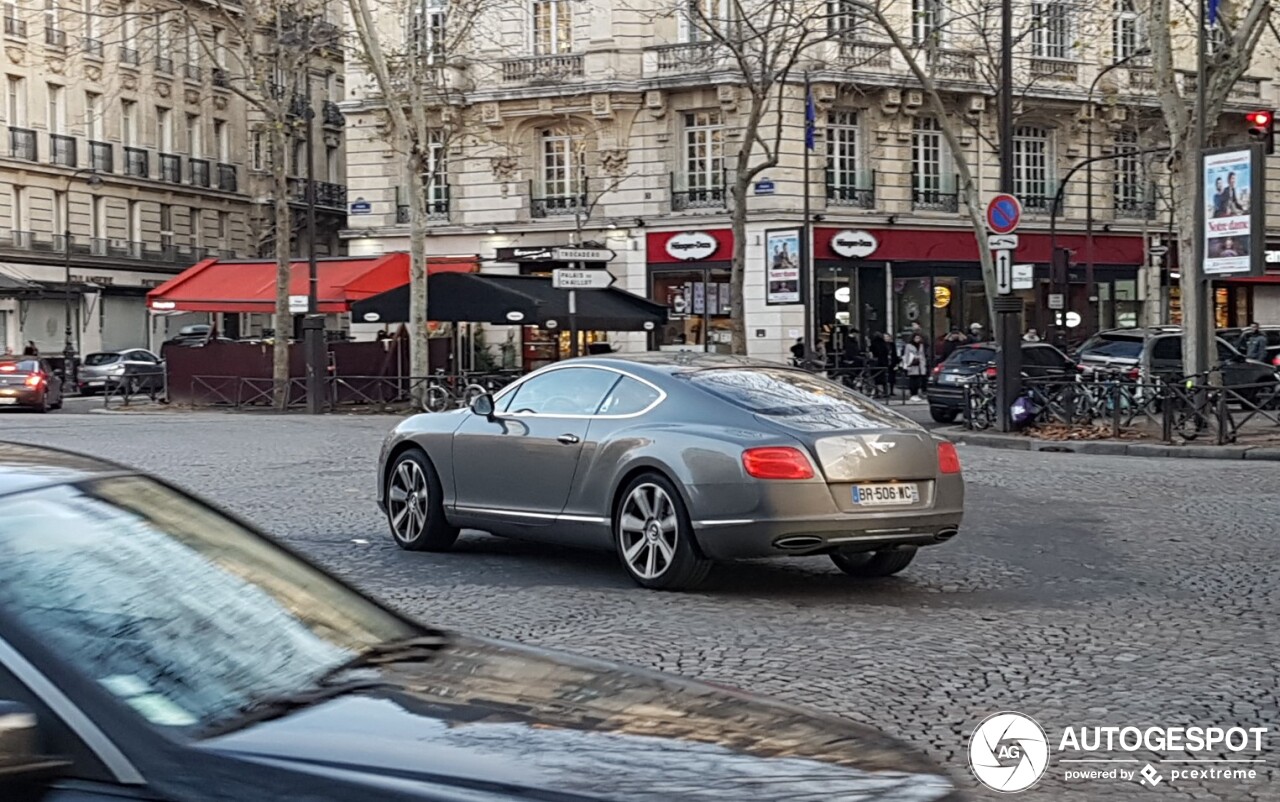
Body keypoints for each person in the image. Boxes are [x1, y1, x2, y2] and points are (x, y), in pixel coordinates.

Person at [902, 333, 928, 403]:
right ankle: (913, 394)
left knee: (918, 380)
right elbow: (906, 355)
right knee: (913, 380)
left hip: (920, 365)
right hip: (912, 364)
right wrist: (906, 365)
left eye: (919, 338)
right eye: (916, 338)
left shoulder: (921, 345)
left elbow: (922, 355)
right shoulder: (909, 346)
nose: (917, 340)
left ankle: (916, 394)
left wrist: (924, 364)